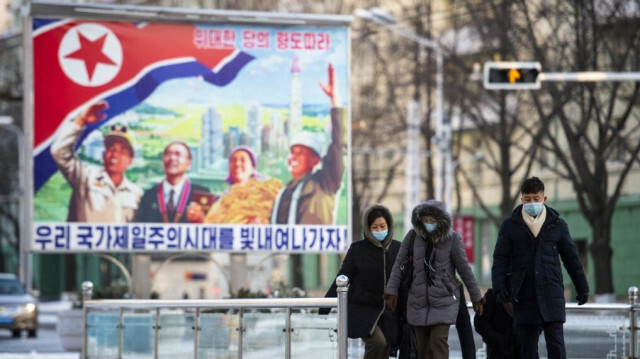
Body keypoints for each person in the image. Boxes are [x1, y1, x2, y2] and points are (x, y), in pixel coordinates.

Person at [492, 176, 589, 359]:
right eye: (527, 199)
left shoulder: (558, 225)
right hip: (524, 295)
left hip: (551, 293)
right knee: (527, 349)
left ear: (544, 199)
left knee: (556, 347)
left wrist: (582, 286)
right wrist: (500, 287)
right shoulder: (510, 226)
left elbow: (571, 258)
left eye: (536, 199)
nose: (532, 203)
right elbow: (500, 259)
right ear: (521, 200)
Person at [384, 200, 483, 359]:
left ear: (441, 221)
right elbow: (398, 265)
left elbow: (465, 270)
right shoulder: (412, 237)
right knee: (422, 350)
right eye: (425, 220)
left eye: (433, 220)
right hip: (417, 301)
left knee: (438, 342)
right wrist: (391, 291)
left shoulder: (453, 239)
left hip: (444, 301)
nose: (428, 224)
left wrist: (476, 296)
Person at [319, 204, 401, 358]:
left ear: (389, 225)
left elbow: (407, 280)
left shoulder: (398, 248)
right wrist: (325, 305)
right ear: (368, 228)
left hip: (389, 312)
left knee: (385, 350)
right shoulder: (358, 249)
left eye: (382, 226)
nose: (379, 231)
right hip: (362, 310)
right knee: (378, 342)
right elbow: (342, 277)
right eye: (374, 227)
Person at [270, 64, 345, 225]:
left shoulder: (325, 182)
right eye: (292, 152)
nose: (293, 157)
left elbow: (339, 146)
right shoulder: (284, 191)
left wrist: (334, 100)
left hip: (315, 251)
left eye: (300, 153)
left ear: (315, 160)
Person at [51, 101, 142, 223]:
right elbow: (58, 152)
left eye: (122, 150)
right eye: (111, 148)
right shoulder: (85, 177)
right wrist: (81, 121)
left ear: (130, 160)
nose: (115, 153)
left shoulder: (137, 194)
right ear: (104, 154)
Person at [186, 146, 282, 224]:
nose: (237, 164)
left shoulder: (264, 193)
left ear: (253, 168)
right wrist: (200, 220)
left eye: (243, 160)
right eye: (233, 160)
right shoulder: (219, 199)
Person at [134, 141, 209, 223]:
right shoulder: (149, 196)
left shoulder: (201, 194)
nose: (172, 158)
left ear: (189, 164)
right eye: (168, 154)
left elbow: (214, 228)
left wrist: (202, 220)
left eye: (178, 154)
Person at [474, 288, 522, 359]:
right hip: (498, 352)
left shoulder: (527, 293)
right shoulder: (492, 295)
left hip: (520, 350)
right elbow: (480, 323)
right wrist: (498, 340)